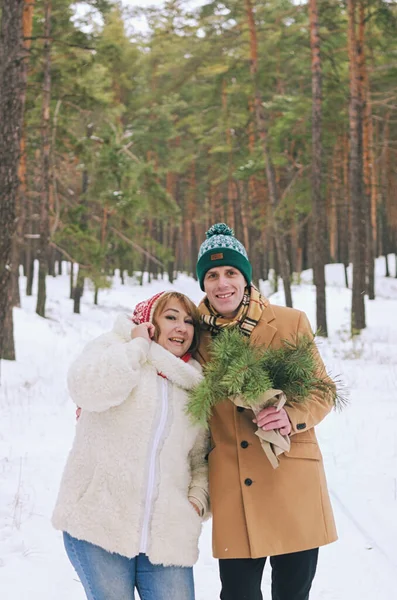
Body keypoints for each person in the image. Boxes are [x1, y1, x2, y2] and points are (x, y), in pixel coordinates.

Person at [194, 223, 337, 600]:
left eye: (230, 273)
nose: (222, 283)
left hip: (290, 477)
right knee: (238, 594)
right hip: (235, 488)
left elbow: (323, 390)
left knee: (292, 594)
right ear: (203, 283)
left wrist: (292, 416)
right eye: (211, 275)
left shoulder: (290, 322)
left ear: (245, 279)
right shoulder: (195, 335)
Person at [52, 291, 210, 600]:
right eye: (171, 317)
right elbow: (86, 389)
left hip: (167, 537)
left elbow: (200, 459)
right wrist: (138, 346)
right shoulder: (116, 346)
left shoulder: (195, 384)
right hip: (99, 523)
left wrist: (195, 503)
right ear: (151, 321)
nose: (181, 327)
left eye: (188, 321)